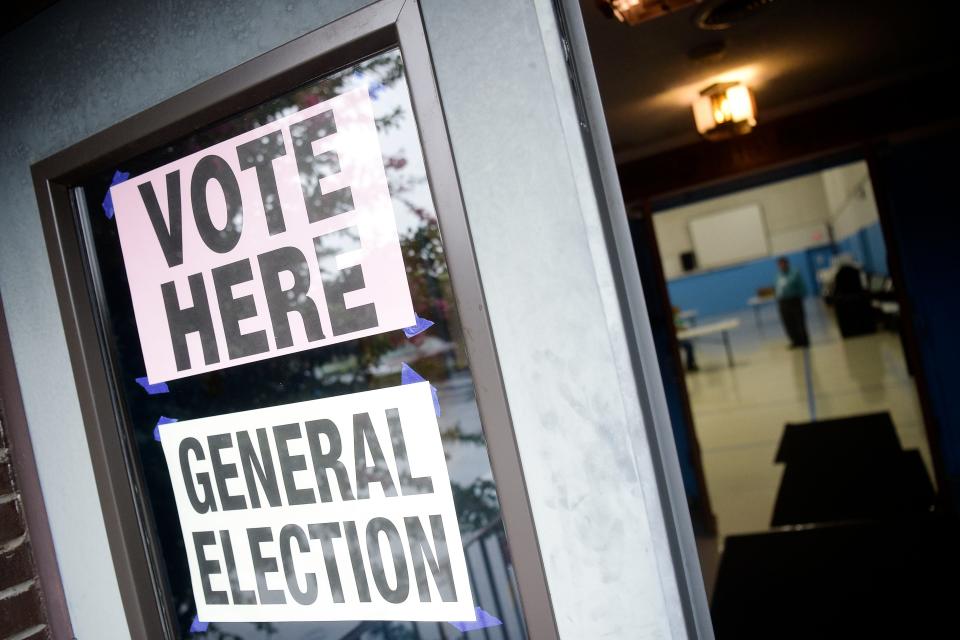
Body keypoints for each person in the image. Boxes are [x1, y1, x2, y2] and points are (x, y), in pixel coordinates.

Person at [775, 256, 809, 348]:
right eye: (779, 264)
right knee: (788, 323)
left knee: (799, 321)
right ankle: (795, 341)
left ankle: (804, 341)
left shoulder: (794, 273)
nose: (781, 266)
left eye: (783, 263)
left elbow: (802, 286)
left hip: (794, 300)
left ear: (787, 263)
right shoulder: (779, 275)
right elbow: (777, 288)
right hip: (783, 301)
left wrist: (801, 297)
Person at [673, 306, 698, 372]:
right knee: (688, 346)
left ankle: (690, 364)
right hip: (677, 340)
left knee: (689, 344)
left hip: (681, 337)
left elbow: (680, 327)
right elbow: (676, 328)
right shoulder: (672, 318)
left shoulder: (677, 318)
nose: (679, 311)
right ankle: (690, 365)